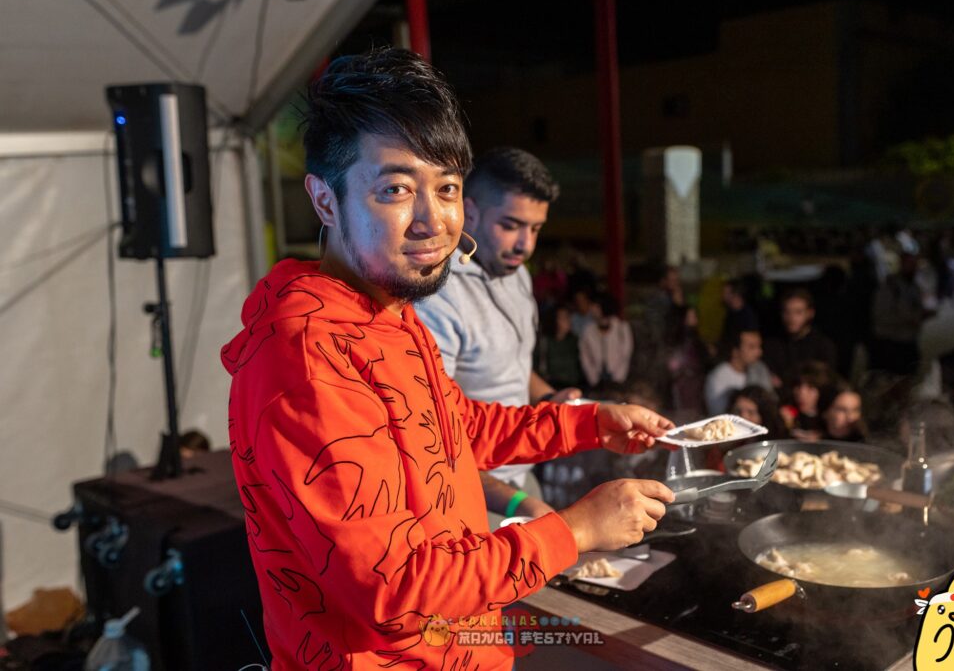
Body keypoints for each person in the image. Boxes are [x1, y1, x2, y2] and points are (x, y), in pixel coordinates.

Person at [221, 48, 676, 670]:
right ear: (325, 201)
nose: (432, 221)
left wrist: (589, 422)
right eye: (396, 189)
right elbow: (392, 590)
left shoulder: (389, 311)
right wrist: (576, 530)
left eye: (447, 188)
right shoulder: (307, 358)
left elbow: (454, 430)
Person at [415, 146, 578, 527]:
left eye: (535, 228)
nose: (526, 245)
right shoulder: (436, 295)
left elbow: (511, 365)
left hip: (521, 477)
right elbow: (432, 436)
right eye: (510, 225)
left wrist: (549, 399)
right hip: (468, 495)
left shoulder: (515, 273)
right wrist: (518, 503)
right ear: (468, 211)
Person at [762, 288, 837, 388]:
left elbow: (826, 379)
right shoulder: (772, 344)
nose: (791, 318)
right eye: (787, 312)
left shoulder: (823, 346)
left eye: (798, 312)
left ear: (810, 313)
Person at [704, 330, 773, 415]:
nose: (759, 352)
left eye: (759, 346)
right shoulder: (717, 378)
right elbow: (719, 414)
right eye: (752, 347)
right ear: (735, 351)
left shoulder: (760, 369)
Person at [579, 294, 634, 390]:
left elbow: (626, 353)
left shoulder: (621, 327)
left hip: (618, 380)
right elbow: (584, 356)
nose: (591, 309)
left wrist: (618, 377)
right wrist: (593, 378)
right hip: (596, 381)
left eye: (595, 306)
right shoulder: (588, 330)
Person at [779, 360, 835, 441]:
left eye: (810, 387)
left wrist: (821, 438)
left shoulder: (829, 416)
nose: (801, 393)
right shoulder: (789, 411)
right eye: (798, 386)